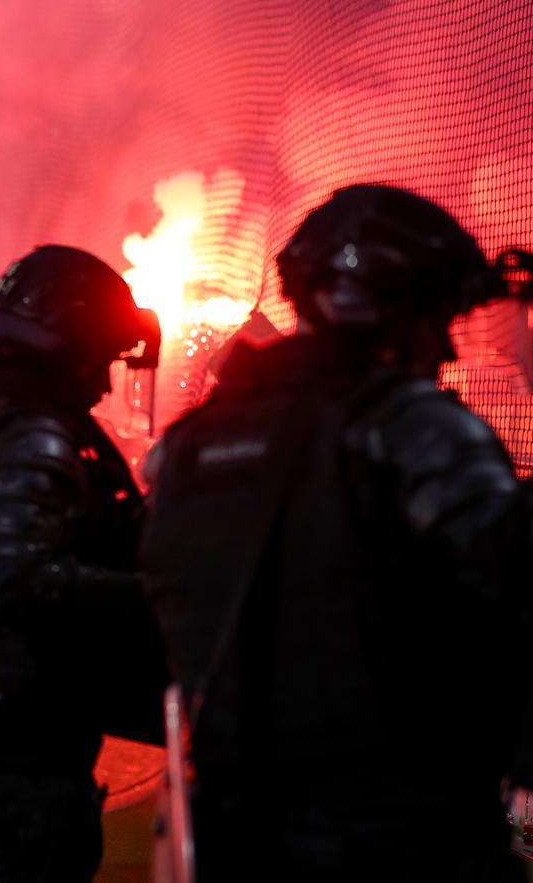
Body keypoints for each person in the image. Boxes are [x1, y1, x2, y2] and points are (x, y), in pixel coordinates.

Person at [140, 185, 533, 882]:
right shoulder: (413, 429)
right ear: (391, 309)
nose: (443, 342)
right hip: (410, 839)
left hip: (238, 835)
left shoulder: (188, 449)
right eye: (435, 314)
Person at [0, 246, 167, 882]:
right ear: (70, 348)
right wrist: (154, 591)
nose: (104, 381)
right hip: (19, 746)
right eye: (103, 356)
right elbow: (15, 580)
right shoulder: (32, 437)